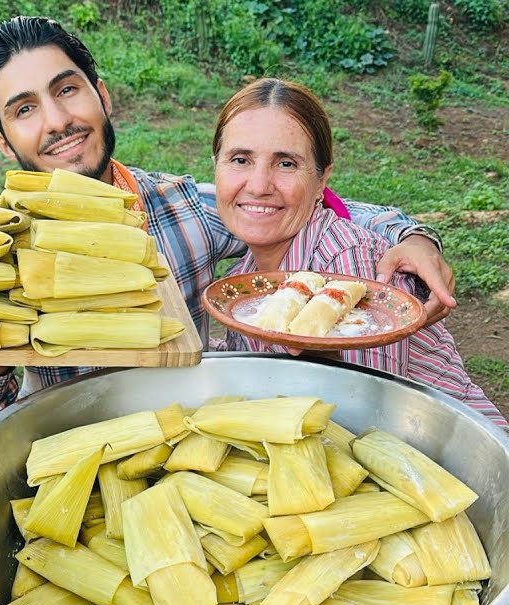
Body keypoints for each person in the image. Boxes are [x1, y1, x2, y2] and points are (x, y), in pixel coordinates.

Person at [0, 16, 460, 436]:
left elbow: (286, 204)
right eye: (24, 109)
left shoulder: (179, 209)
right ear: (3, 142)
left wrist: (410, 236)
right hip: (71, 457)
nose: (57, 120)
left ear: (102, 97)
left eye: (66, 90)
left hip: (193, 448)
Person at [212, 78, 506, 428]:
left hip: (450, 446)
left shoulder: (346, 261)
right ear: (216, 167)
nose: (259, 185)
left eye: (286, 163)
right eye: (240, 159)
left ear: (321, 181)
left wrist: (326, 356)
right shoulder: (243, 279)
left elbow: (370, 413)